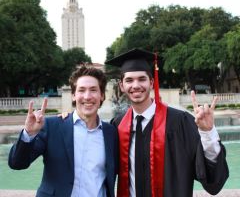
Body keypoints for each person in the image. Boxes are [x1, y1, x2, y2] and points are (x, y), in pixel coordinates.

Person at [105, 48, 229, 197]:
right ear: (122, 86)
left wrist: (208, 132)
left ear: (151, 82)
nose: (136, 85)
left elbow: (211, 175)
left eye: (142, 79)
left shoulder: (179, 122)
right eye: (129, 80)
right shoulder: (117, 125)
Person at [8, 65, 118, 197]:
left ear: (102, 95)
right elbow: (17, 163)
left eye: (93, 90)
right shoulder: (52, 126)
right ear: (73, 95)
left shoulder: (111, 133)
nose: (87, 96)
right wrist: (28, 134)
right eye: (81, 90)